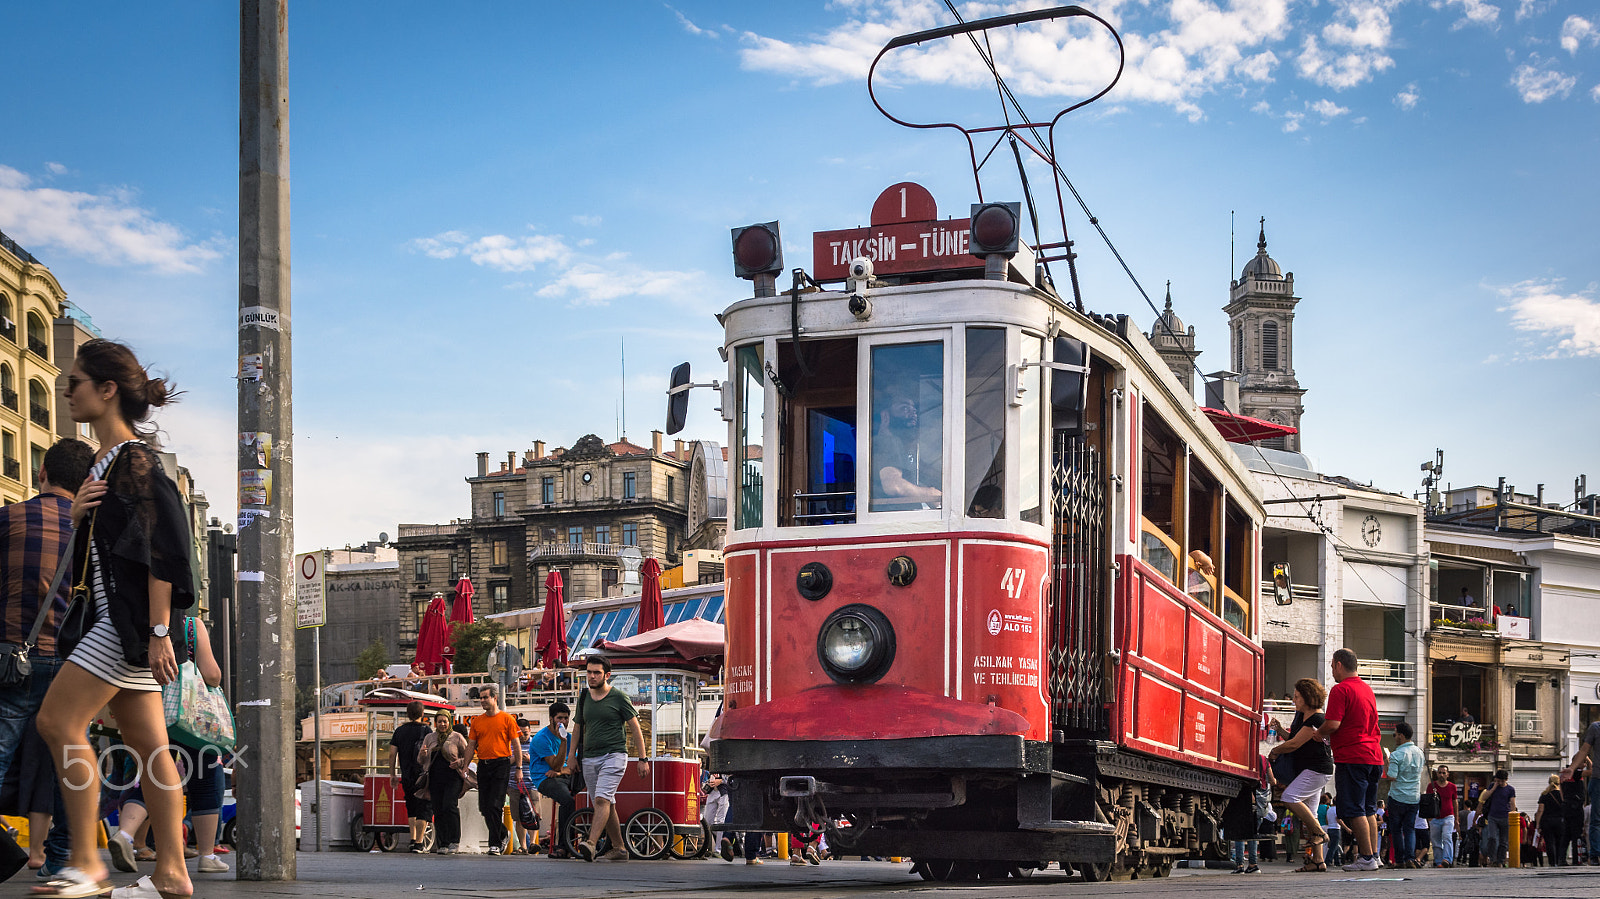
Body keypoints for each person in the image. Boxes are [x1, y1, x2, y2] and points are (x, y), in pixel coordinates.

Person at [35, 341, 196, 899]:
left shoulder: (134, 460)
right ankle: (173, 873)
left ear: (107, 391)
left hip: (125, 627)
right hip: (124, 625)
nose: (65, 388)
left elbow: (165, 552)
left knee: (57, 723)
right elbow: (110, 559)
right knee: (151, 747)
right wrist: (79, 519)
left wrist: (156, 633)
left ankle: (87, 860)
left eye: (75, 381)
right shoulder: (107, 464)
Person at [0, 438, 93, 880]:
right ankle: (61, 862)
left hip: (10, 660)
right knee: (67, 763)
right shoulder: (93, 535)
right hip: (73, 666)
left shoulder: (8, 519)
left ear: (41, 474)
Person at [571, 654, 649, 863]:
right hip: (589, 757)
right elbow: (578, 727)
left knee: (601, 799)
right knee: (607, 803)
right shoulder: (584, 697)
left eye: (596, 672)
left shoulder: (618, 697)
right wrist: (572, 756)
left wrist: (643, 758)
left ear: (607, 675)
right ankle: (619, 848)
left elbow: (635, 728)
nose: (592, 676)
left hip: (614, 755)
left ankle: (591, 843)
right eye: (589, 672)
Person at [1313, 647, 1383, 871]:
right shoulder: (1366, 689)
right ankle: (1374, 855)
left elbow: (1333, 723)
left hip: (1353, 756)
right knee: (1369, 809)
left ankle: (1365, 857)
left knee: (1355, 810)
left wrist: (1319, 733)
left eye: (1332, 666)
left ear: (1339, 665)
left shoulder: (1340, 689)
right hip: (1374, 755)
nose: (1332, 671)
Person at [1265, 677, 1333, 871]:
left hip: (1316, 769)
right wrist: (1279, 730)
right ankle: (1318, 861)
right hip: (1312, 770)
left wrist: (1275, 751)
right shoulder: (1303, 718)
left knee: (1289, 797)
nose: (1294, 700)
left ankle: (1320, 833)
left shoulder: (1316, 719)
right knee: (1311, 813)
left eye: (1296, 697)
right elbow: (1293, 738)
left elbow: (1295, 744)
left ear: (1307, 697)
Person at [465, 683, 523, 855]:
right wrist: (465, 766)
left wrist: (519, 767)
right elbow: (471, 745)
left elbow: (516, 745)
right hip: (483, 765)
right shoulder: (477, 721)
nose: (482, 700)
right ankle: (503, 832)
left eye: (485, 697)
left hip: (501, 764)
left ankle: (495, 844)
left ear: (494, 698)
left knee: (495, 804)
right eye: (481, 698)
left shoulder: (507, 719)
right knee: (484, 806)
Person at [872, 391, 941, 507]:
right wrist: (930, 493)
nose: (913, 412)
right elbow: (893, 485)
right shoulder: (886, 441)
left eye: (914, 409)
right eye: (904, 408)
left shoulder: (905, 447)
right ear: (885, 416)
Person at [527, 701, 575, 859]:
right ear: (551, 719)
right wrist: (563, 742)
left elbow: (573, 767)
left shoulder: (571, 737)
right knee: (567, 801)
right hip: (544, 778)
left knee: (590, 794)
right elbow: (555, 765)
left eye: (566, 718)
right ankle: (562, 846)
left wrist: (561, 772)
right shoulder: (542, 738)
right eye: (559, 718)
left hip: (562, 776)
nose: (563, 722)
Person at [419, 709, 468, 854]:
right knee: (438, 809)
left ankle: (454, 841)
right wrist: (423, 754)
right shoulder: (429, 738)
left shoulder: (457, 737)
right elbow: (420, 760)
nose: (442, 724)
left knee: (449, 806)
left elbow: (469, 756)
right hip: (434, 778)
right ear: (435, 723)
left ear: (449, 722)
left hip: (453, 777)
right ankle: (443, 843)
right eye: (439, 721)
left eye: (445, 721)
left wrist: (459, 762)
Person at [388, 701, 433, 853]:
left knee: (411, 806)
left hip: (406, 775)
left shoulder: (399, 731)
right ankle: (419, 843)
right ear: (422, 713)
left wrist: (393, 774)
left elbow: (392, 754)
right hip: (423, 776)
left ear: (407, 714)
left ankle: (412, 839)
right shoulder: (427, 730)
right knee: (424, 807)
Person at [1560, 717, 1600, 865]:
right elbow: (1584, 750)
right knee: (1596, 819)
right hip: (1598, 780)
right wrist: (1572, 768)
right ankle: (1595, 855)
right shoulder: (1595, 728)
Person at [1385, 721, 1425, 868]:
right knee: (1409, 829)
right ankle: (1410, 857)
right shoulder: (1420, 752)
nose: (1395, 737)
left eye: (1395, 734)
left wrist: (1387, 763)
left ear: (1401, 736)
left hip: (1397, 796)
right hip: (1414, 797)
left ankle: (1400, 860)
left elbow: (1391, 776)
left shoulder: (1396, 754)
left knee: (1396, 830)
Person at [1480, 769, 1517, 866]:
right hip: (1493, 816)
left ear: (1506, 780)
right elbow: (1484, 797)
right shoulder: (1492, 786)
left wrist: (1512, 814)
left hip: (1505, 816)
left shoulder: (1510, 789)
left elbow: (1512, 803)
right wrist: (1493, 788)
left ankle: (1500, 861)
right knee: (1492, 838)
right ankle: (1492, 859)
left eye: (1502, 781)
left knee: (1503, 841)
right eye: (1498, 780)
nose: (1500, 783)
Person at [1427, 765, 1459, 867]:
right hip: (1435, 817)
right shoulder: (1431, 786)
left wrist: (1456, 819)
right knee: (1436, 841)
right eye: (1440, 772)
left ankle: (1447, 859)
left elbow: (1455, 802)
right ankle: (1439, 861)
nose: (1441, 775)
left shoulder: (1452, 787)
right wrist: (1429, 817)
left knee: (1447, 837)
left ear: (1447, 775)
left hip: (1448, 816)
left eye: (1444, 773)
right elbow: (1428, 801)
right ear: (1437, 774)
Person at [1535, 774, 1565, 866]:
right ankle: (1559, 861)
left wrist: (1537, 824)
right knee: (1559, 842)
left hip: (1547, 822)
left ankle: (1552, 863)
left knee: (1549, 842)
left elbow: (1540, 810)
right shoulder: (1562, 795)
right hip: (1560, 821)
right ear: (1559, 783)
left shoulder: (1544, 795)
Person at [1320, 793, 1342, 867]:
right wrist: (1346, 828)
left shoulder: (1329, 809)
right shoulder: (1337, 810)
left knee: (1333, 845)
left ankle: (1337, 861)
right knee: (1333, 846)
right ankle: (1328, 861)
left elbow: (1327, 819)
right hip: (1336, 828)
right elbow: (1339, 820)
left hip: (1330, 828)